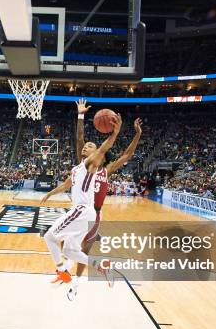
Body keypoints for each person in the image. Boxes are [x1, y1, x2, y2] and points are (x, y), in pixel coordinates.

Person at [42, 99, 143, 300]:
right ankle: (98, 266)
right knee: (70, 250)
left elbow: (123, 154)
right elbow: (79, 143)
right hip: (81, 211)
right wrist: (80, 116)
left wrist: (127, 133)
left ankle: (66, 276)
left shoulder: (100, 167)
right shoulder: (79, 167)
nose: (85, 146)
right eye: (86, 146)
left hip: (91, 213)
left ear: (97, 154)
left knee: (51, 237)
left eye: (90, 146)